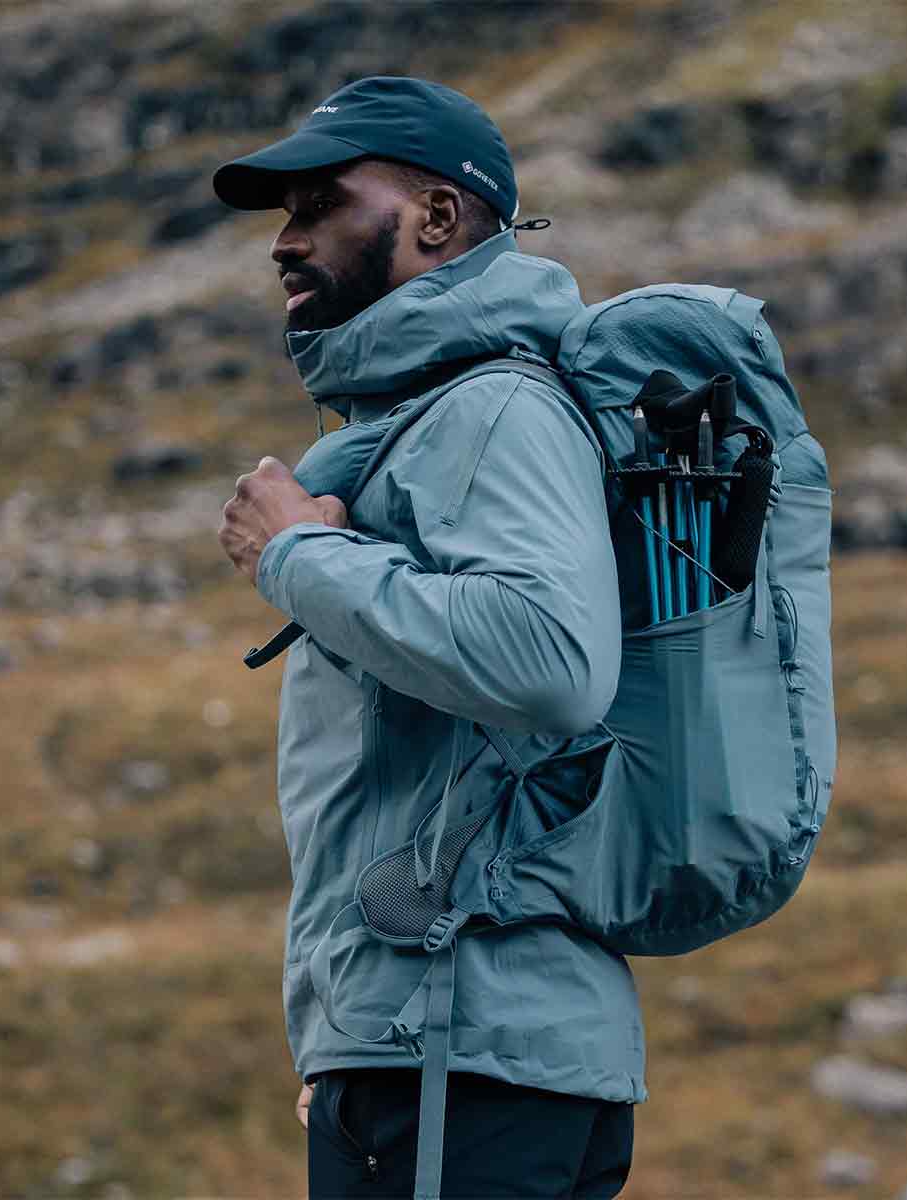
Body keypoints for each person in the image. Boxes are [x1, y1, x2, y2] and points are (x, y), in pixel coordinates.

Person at [214, 76, 643, 1198]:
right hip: (415, 1047)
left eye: (319, 204)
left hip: (466, 1052)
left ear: (437, 219)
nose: (287, 241)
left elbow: (552, 661)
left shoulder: (495, 408)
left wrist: (296, 558)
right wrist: (341, 1040)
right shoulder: (418, 417)